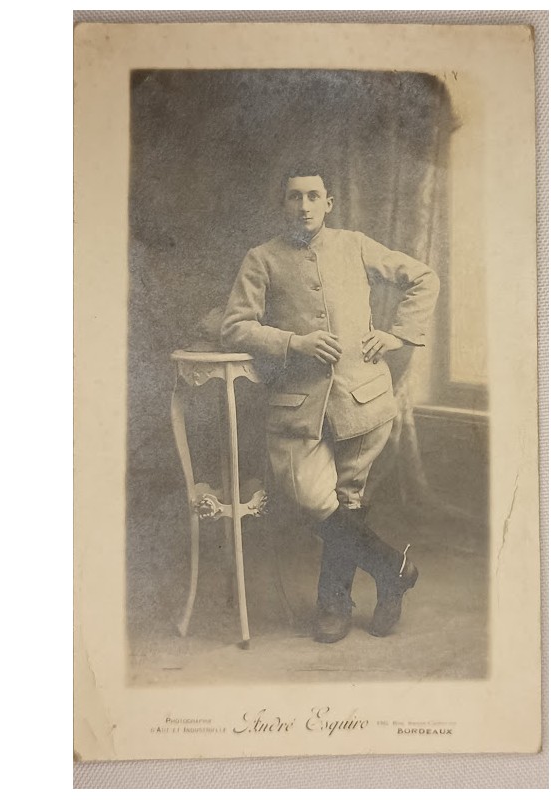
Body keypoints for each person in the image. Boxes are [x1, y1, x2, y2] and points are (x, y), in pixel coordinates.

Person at [221, 166, 439, 643]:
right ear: (282, 203)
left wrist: (398, 335)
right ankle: (393, 568)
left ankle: (334, 604)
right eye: (294, 196)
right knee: (312, 497)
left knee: (348, 500)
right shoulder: (262, 258)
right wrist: (293, 342)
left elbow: (423, 278)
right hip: (297, 404)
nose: (304, 206)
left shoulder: (355, 245)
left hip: (363, 397)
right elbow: (235, 326)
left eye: (313, 196)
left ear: (329, 203)